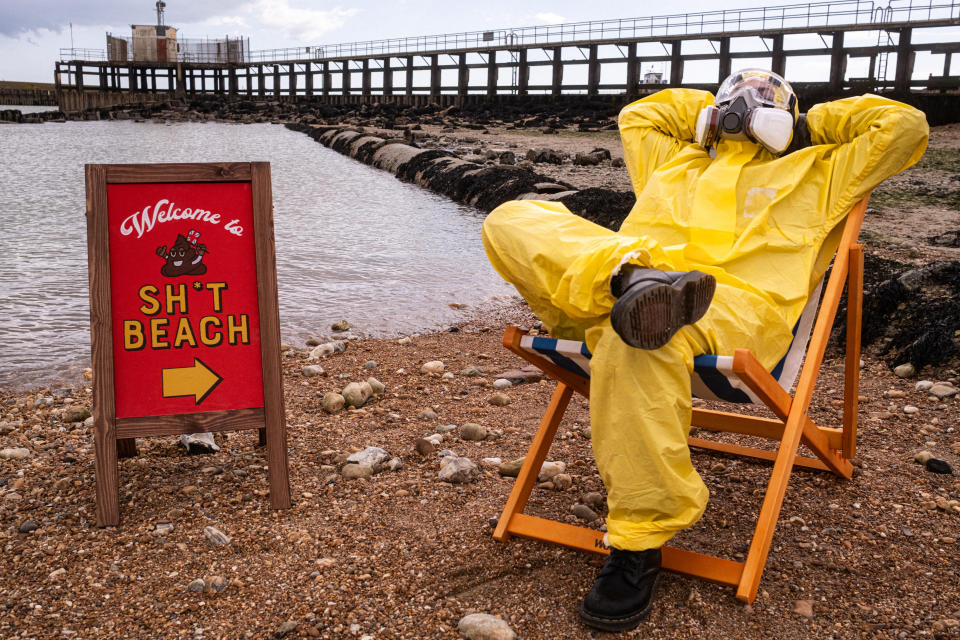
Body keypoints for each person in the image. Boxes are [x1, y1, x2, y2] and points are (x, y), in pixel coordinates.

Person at [481, 69, 928, 632]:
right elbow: (639, 116)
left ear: (787, 112)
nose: (748, 101)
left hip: (732, 314)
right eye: (736, 94)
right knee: (511, 216)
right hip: (609, 288)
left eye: (765, 96)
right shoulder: (675, 162)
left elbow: (905, 127)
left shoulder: (819, 171)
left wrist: (807, 124)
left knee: (638, 338)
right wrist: (705, 116)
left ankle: (639, 543)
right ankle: (634, 279)